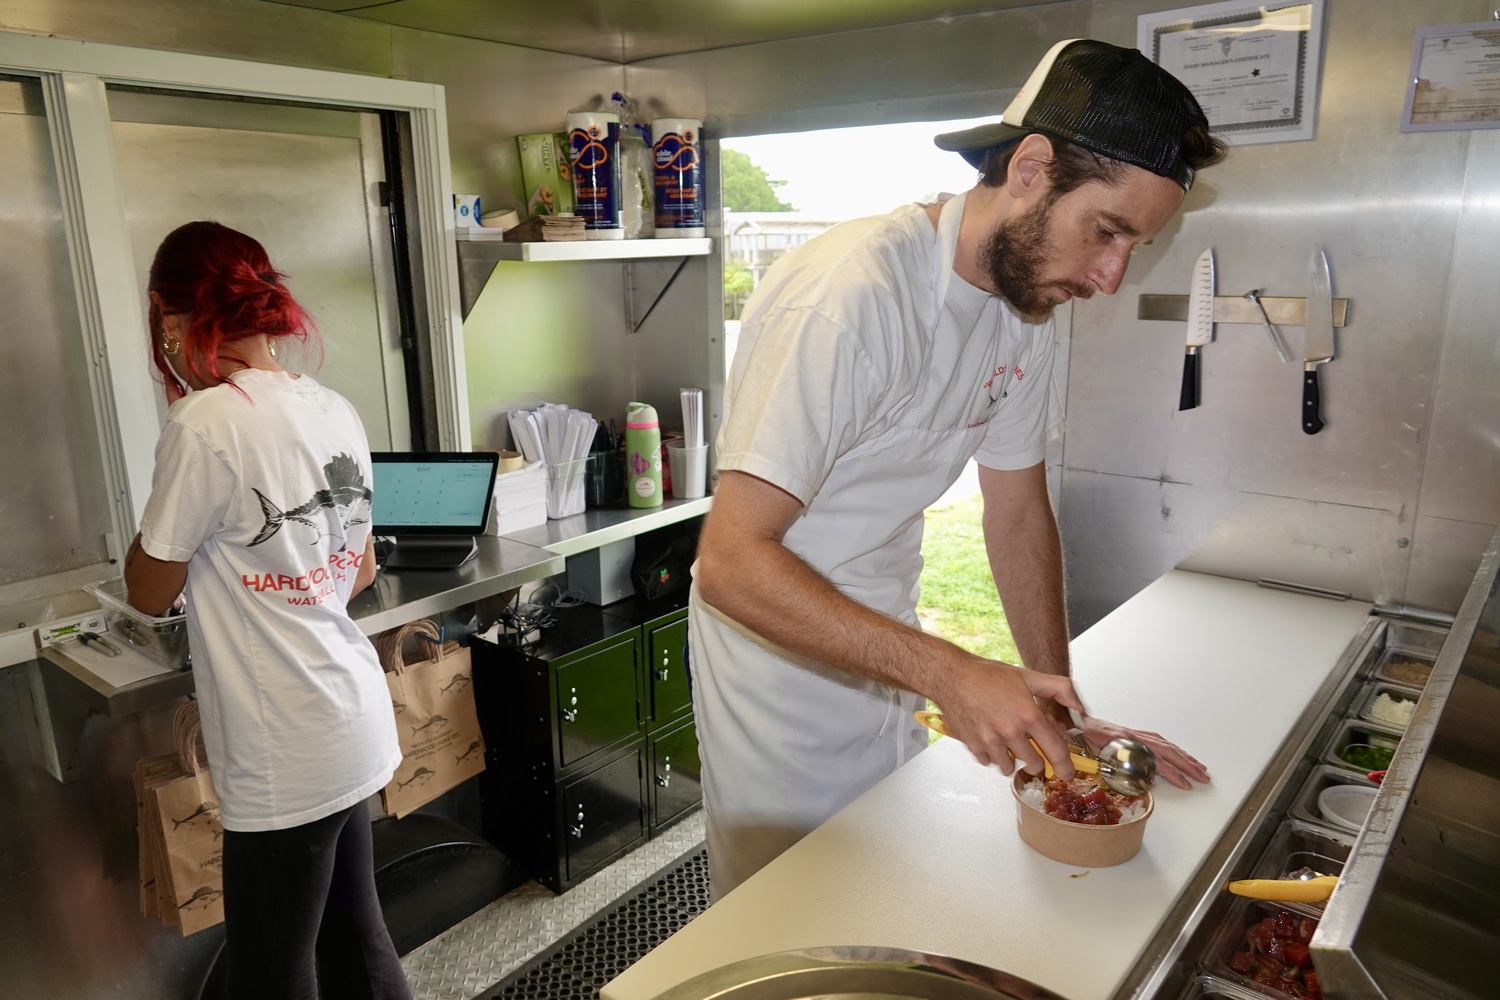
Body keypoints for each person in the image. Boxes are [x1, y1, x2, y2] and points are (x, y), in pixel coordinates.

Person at [690, 38, 1230, 898]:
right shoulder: (850, 299)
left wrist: (1064, 711)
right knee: (788, 908)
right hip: (778, 673)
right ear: (1030, 167)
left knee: (879, 886)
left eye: (1135, 246)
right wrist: (953, 672)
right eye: (1108, 231)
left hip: (890, 640)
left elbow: (1016, 512)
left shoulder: (1023, 313)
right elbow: (729, 563)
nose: (1111, 276)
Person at [123, 222, 410, 999]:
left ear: (169, 315)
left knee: (271, 975)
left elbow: (148, 589)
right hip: (350, 711)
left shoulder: (205, 422)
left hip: (284, 739)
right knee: (355, 938)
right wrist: (279, 578)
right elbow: (359, 569)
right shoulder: (331, 407)